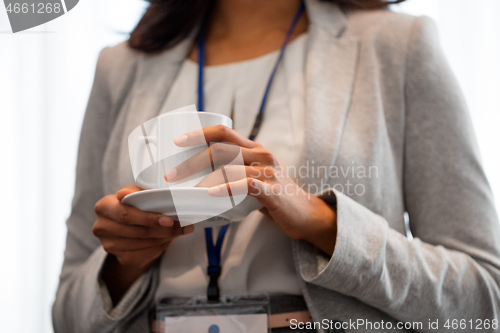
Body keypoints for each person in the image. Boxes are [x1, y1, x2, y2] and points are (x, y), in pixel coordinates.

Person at [53, 0, 500, 332]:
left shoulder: (399, 46)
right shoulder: (120, 66)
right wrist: (124, 264)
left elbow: (485, 299)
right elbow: (66, 315)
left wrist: (324, 224)